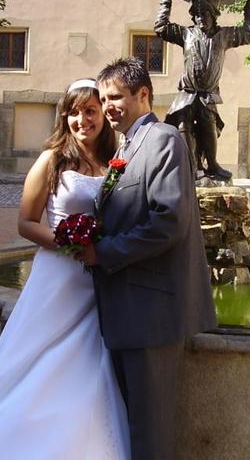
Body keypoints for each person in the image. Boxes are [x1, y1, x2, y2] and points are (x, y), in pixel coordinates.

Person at [0, 79, 131, 460]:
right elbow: (26, 223)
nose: (82, 120)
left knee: (89, 362)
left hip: (99, 277)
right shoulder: (52, 159)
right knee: (40, 356)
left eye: (90, 111)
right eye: (74, 112)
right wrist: (67, 242)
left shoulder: (115, 160)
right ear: (64, 116)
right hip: (59, 278)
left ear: (102, 115)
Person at [77, 57, 217, 460]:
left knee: (150, 430)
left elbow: (168, 222)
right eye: (104, 99)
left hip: (150, 313)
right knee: (133, 423)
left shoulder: (163, 139)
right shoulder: (128, 145)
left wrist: (102, 252)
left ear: (144, 95)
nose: (108, 107)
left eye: (116, 97)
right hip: (128, 309)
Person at [153, 0, 250, 181]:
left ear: (213, 16)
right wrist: (166, 2)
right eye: (197, 15)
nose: (200, 18)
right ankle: (190, 167)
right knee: (183, 123)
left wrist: (249, 7)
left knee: (209, 124)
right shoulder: (186, 34)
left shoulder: (224, 35)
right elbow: (161, 28)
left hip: (208, 94)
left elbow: (249, 33)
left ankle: (212, 165)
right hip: (187, 92)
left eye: (205, 14)